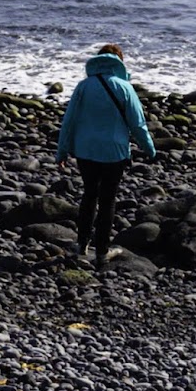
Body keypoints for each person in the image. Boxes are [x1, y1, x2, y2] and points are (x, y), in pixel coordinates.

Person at [53, 43, 156, 278]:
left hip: (85, 151)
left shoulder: (84, 86)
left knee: (89, 195)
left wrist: (62, 152)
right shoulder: (125, 87)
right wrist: (149, 149)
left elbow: (69, 121)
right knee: (108, 200)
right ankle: (101, 252)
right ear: (119, 62)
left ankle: (81, 246)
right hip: (114, 152)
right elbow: (137, 124)